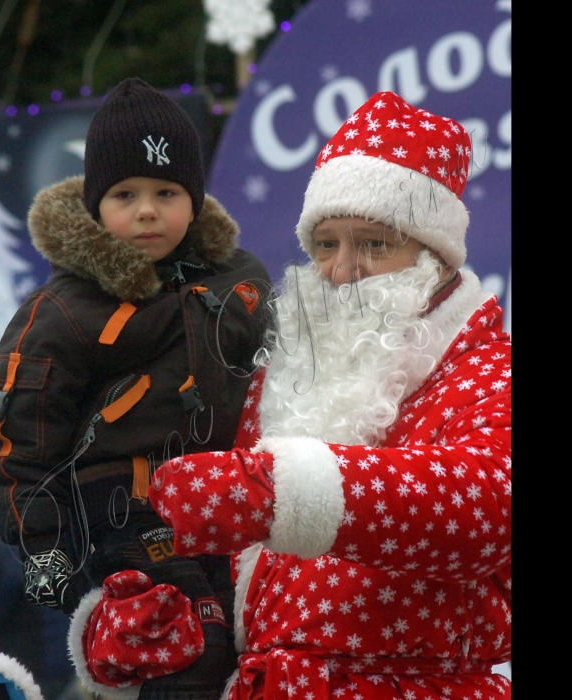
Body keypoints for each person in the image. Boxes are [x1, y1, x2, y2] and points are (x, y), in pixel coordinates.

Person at [143, 91, 512, 699]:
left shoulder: (488, 369)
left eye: (373, 243)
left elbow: (488, 503)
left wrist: (281, 490)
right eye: (325, 243)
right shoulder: (284, 374)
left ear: (436, 257)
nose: (341, 270)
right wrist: (164, 624)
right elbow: (235, 563)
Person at [0, 77, 272, 700]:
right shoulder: (66, 309)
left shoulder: (237, 285)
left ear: (194, 199)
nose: (147, 210)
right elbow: (19, 438)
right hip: (122, 510)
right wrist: (45, 551)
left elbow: (290, 381)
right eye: (125, 193)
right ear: (95, 205)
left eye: (167, 192)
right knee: (185, 646)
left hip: (224, 508)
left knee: (251, 650)